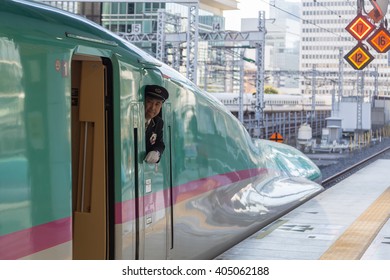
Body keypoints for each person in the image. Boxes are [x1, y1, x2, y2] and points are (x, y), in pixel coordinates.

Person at [144, 85, 169, 164]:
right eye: (149, 102)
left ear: (161, 106)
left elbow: (160, 144)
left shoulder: (158, 122)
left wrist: (157, 152)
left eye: (157, 104)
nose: (152, 108)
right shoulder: (130, 120)